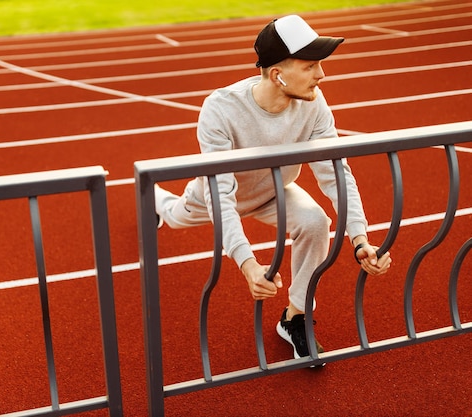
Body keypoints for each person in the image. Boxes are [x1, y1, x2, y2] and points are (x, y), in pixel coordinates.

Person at [154, 15, 392, 360]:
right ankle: (158, 201)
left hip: (275, 192)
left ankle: (296, 316)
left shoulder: (314, 102)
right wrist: (248, 263)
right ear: (278, 75)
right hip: (219, 197)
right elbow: (219, 195)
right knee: (175, 217)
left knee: (314, 222)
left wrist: (360, 238)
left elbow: (335, 172)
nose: (322, 75)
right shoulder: (220, 109)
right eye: (311, 66)